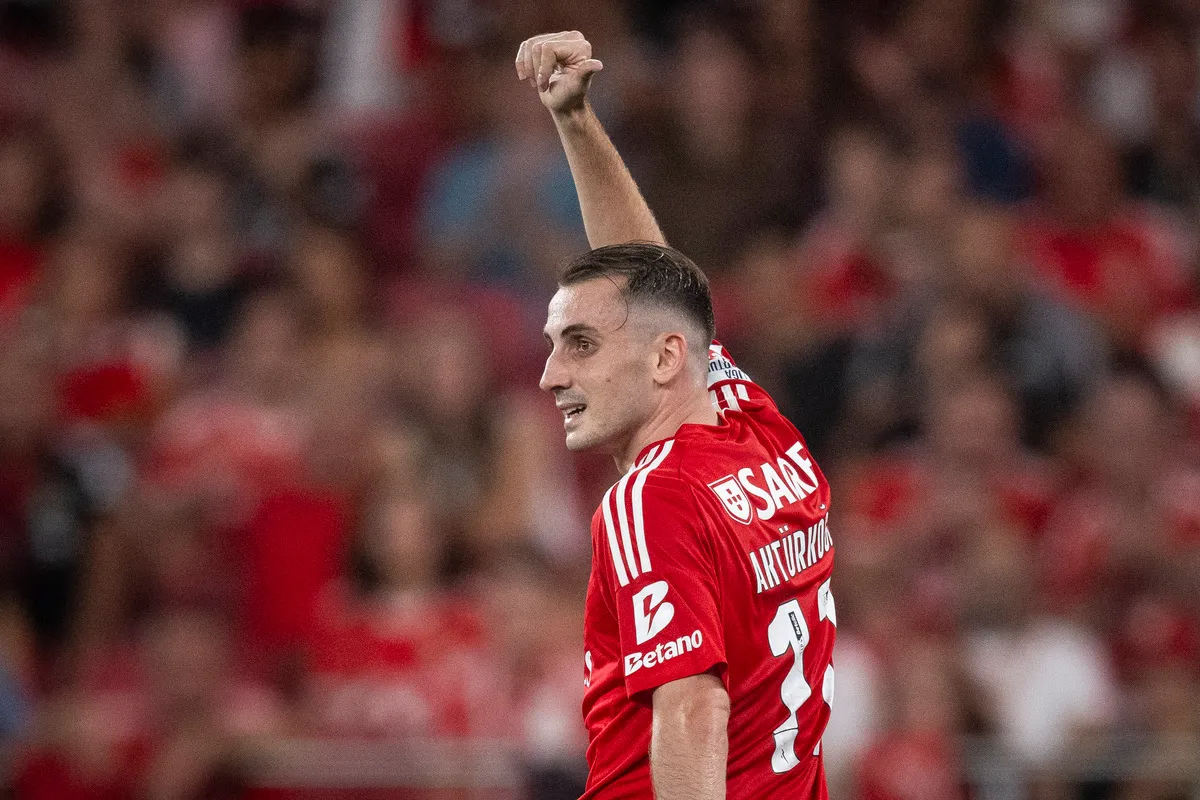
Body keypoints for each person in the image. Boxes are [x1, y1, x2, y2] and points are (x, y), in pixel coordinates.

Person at [517, 31, 837, 800]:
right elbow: (652, 287)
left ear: (664, 363)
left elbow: (693, 707)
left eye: (581, 347)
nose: (550, 374)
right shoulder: (758, 429)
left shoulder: (651, 500)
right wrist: (576, 120)